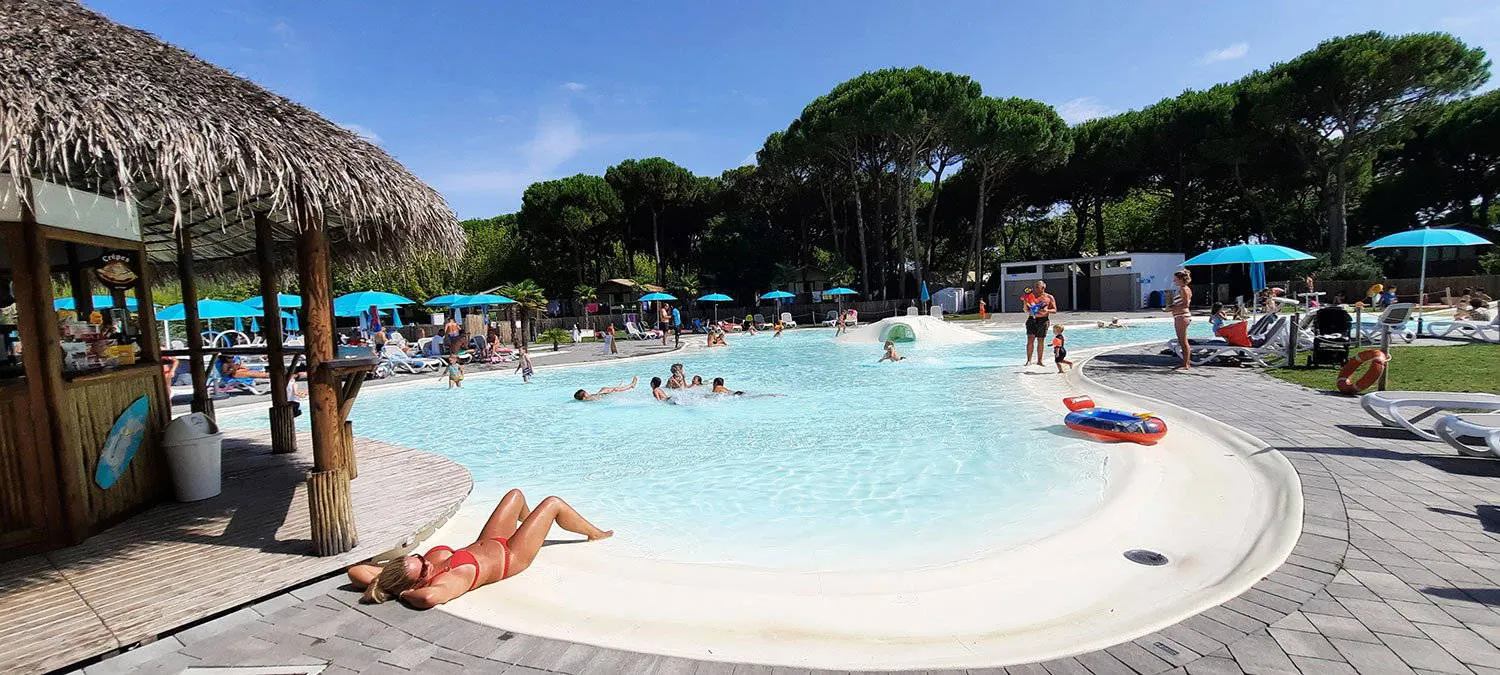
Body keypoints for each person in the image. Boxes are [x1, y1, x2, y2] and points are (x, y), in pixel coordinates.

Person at [347, 489, 612, 608]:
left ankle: (531, 529)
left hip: (492, 540)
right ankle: (594, 534)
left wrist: (385, 582)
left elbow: (355, 572)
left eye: (419, 558)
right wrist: (403, 593)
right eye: (424, 568)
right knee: (553, 503)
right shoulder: (448, 581)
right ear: (418, 582)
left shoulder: (403, 574)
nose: (427, 561)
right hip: (511, 557)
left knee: (515, 495)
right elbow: (428, 599)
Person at [1024, 281, 1057, 367]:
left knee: (1041, 340)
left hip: (1043, 320)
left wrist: (1047, 310)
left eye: (1038, 287)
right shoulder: (1031, 296)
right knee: (1030, 340)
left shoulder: (1049, 297)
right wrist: (1026, 304)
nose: (1036, 288)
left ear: (1043, 287)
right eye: (1035, 287)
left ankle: (1040, 360)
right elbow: (1026, 309)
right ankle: (1029, 360)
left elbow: (1054, 310)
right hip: (1032, 319)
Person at [1166, 269, 1193, 370]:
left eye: (1176, 279)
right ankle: (1185, 362)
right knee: (1182, 340)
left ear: (1181, 279)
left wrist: (1172, 308)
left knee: (1183, 341)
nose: (1174, 281)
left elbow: (1185, 304)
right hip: (1181, 316)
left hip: (1182, 316)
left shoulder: (1184, 289)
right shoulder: (1184, 289)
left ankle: (1186, 363)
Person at [573, 376, 638, 401]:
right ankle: (631, 385)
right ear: (583, 397)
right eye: (585, 393)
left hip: (601, 395)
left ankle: (627, 386)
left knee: (605, 388)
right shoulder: (588, 399)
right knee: (615, 389)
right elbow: (596, 398)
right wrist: (604, 392)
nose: (587, 392)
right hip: (602, 396)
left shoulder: (587, 398)